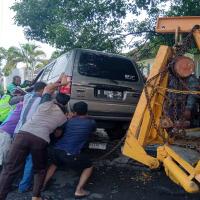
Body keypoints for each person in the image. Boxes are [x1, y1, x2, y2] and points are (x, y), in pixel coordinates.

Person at [0, 78, 70, 200]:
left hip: (22, 135)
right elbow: (58, 134)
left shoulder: (44, 103)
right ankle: (36, 196)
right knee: (39, 170)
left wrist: (61, 82)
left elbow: (48, 89)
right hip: (41, 140)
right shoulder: (64, 118)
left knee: (9, 169)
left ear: (55, 99)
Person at [43, 101, 96, 199]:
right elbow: (92, 130)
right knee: (89, 166)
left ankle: (42, 185)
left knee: (54, 163)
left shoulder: (68, 121)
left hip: (55, 151)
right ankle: (79, 191)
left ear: (74, 112)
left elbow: (57, 134)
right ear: (86, 111)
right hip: (70, 154)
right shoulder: (91, 122)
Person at [14, 81, 47, 193]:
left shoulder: (27, 97)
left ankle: (10, 183)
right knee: (30, 161)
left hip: (17, 132)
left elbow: (26, 92)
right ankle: (23, 187)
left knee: (15, 160)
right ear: (43, 90)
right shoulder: (42, 101)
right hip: (30, 134)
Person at [0, 102, 23, 167]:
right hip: (6, 134)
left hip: (3, 131)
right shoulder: (23, 106)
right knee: (1, 159)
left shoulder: (18, 106)